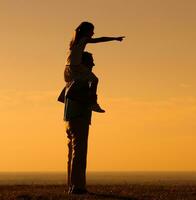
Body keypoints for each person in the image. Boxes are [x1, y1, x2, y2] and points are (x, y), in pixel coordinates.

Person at [64, 21, 125, 112]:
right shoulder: (83, 39)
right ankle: (93, 103)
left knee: (78, 82)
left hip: (68, 67)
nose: (93, 33)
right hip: (76, 66)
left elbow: (76, 30)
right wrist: (114, 38)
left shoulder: (74, 40)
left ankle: (69, 95)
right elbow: (100, 39)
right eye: (91, 31)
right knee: (94, 80)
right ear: (86, 31)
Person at [63, 52, 98, 195]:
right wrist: (88, 100)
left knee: (72, 153)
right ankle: (78, 187)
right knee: (79, 153)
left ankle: (72, 185)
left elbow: (64, 96)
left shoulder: (72, 79)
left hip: (69, 119)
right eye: (91, 62)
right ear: (83, 64)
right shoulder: (82, 78)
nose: (93, 65)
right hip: (79, 118)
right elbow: (71, 94)